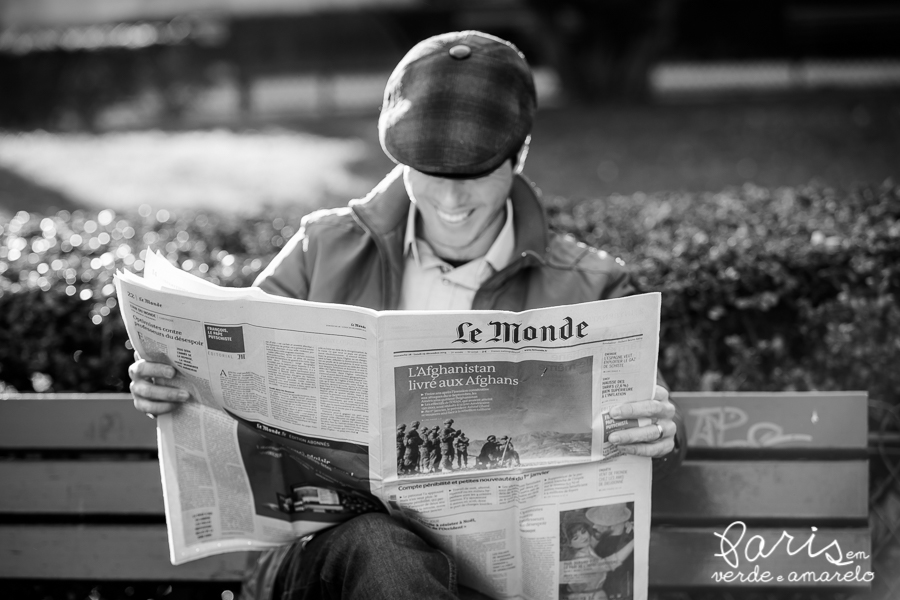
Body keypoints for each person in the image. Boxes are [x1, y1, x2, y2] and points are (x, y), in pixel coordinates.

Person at [128, 30, 684, 600]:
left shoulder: (587, 284)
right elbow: (237, 375)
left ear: (519, 154)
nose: (450, 203)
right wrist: (173, 385)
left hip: (488, 580)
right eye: (428, 176)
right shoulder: (325, 247)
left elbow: (645, 454)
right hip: (321, 564)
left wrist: (659, 434)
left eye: (473, 178)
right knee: (381, 549)